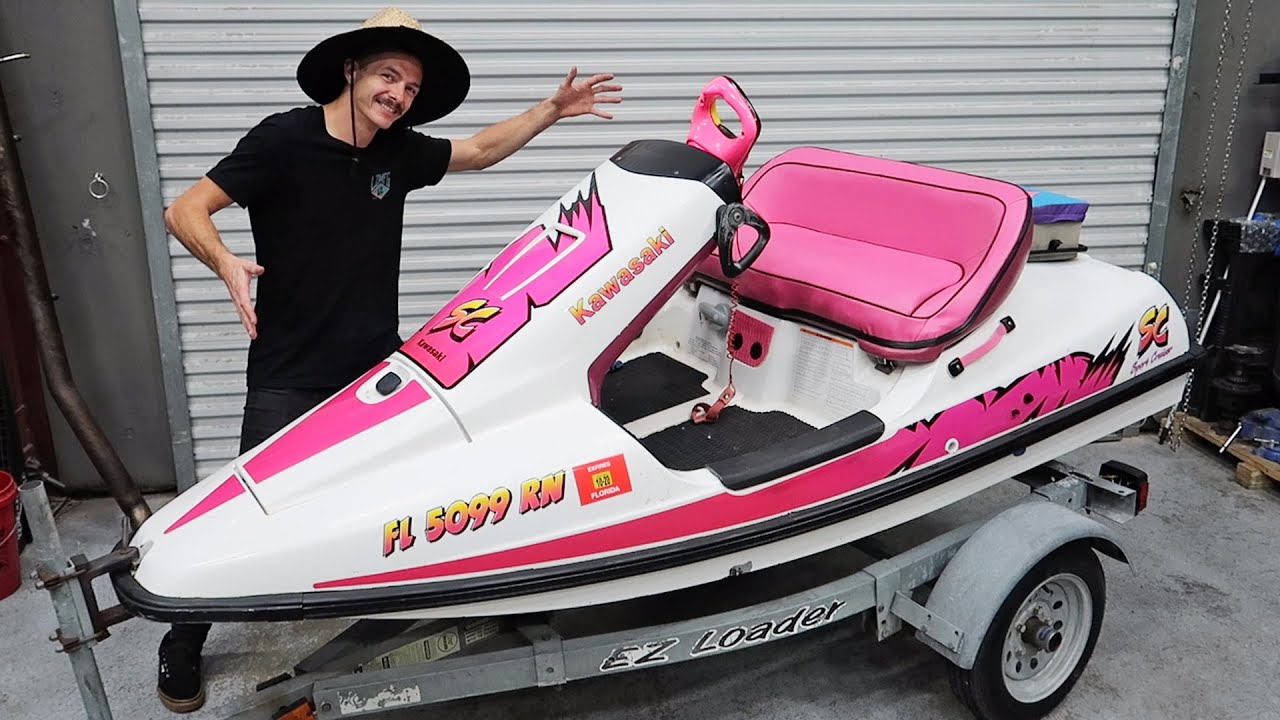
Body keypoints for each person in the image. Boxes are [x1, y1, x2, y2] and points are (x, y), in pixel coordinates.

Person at [156, 7, 621, 713]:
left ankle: (418, 605)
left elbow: (480, 151)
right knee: (241, 512)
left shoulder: (397, 152)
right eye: (389, 76)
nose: (399, 95)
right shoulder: (283, 139)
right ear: (351, 70)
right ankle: (183, 638)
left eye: (411, 87)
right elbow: (186, 209)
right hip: (288, 369)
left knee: (414, 492)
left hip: (377, 366)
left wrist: (552, 110)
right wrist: (223, 260)